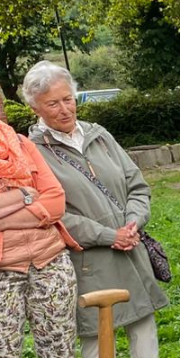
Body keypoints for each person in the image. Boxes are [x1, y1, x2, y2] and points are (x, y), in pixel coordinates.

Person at [23, 61, 169, 357]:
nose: (65, 109)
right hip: (88, 262)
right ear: (34, 107)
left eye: (68, 99)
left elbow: (136, 185)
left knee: (144, 329)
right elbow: (50, 214)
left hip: (131, 249)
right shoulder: (30, 152)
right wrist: (107, 235)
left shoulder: (99, 135)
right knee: (97, 340)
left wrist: (132, 222)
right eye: (53, 103)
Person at [0, 92, 80, 356]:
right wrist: (24, 194)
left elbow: (55, 201)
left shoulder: (21, 144)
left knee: (59, 351)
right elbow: (42, 201)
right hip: (3, 271)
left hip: (50, 262)